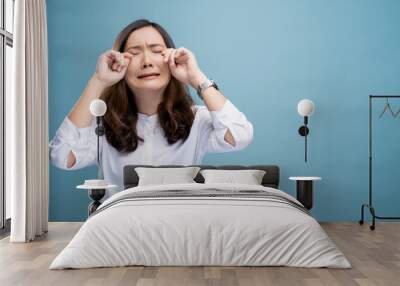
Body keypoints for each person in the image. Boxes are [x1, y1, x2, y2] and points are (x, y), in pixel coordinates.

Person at [49, 19, 253, 199]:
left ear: (172, 60)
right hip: (120, 227)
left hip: (178, 228)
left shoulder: (197, 120)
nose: (147, 62)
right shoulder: (103, 123)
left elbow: (240, 135)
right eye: (134, 54)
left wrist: (196, 77)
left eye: (157, 51)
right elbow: (60, 156)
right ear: (120, 64)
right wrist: (99, 80)